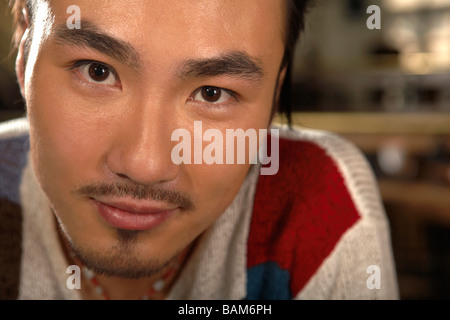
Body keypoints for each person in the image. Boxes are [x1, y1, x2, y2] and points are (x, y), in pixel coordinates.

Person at [0, 0, 398, 300]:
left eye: (212, 93)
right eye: (96, 70)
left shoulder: (318, 208)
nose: (145, 164)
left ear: (275, 97)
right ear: (24, 53)